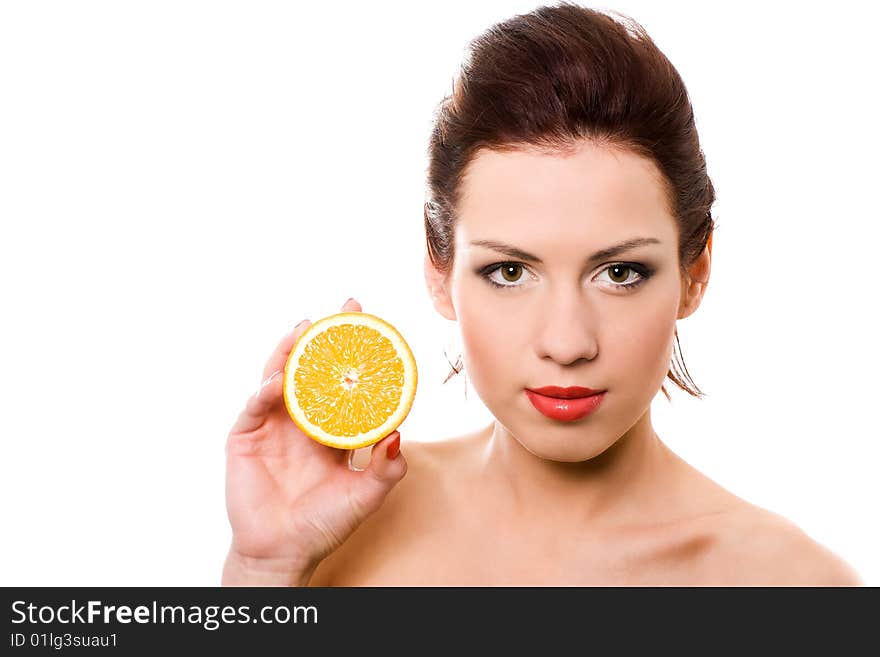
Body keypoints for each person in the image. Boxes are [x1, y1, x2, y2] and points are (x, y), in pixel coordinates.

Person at [222, 2, 863, 586]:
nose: (566, 343)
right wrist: (264, 568)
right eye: (509, 272)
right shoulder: (337, 524)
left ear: (695, 272)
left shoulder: (794, 586)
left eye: (620, 273)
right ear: (439, 268)